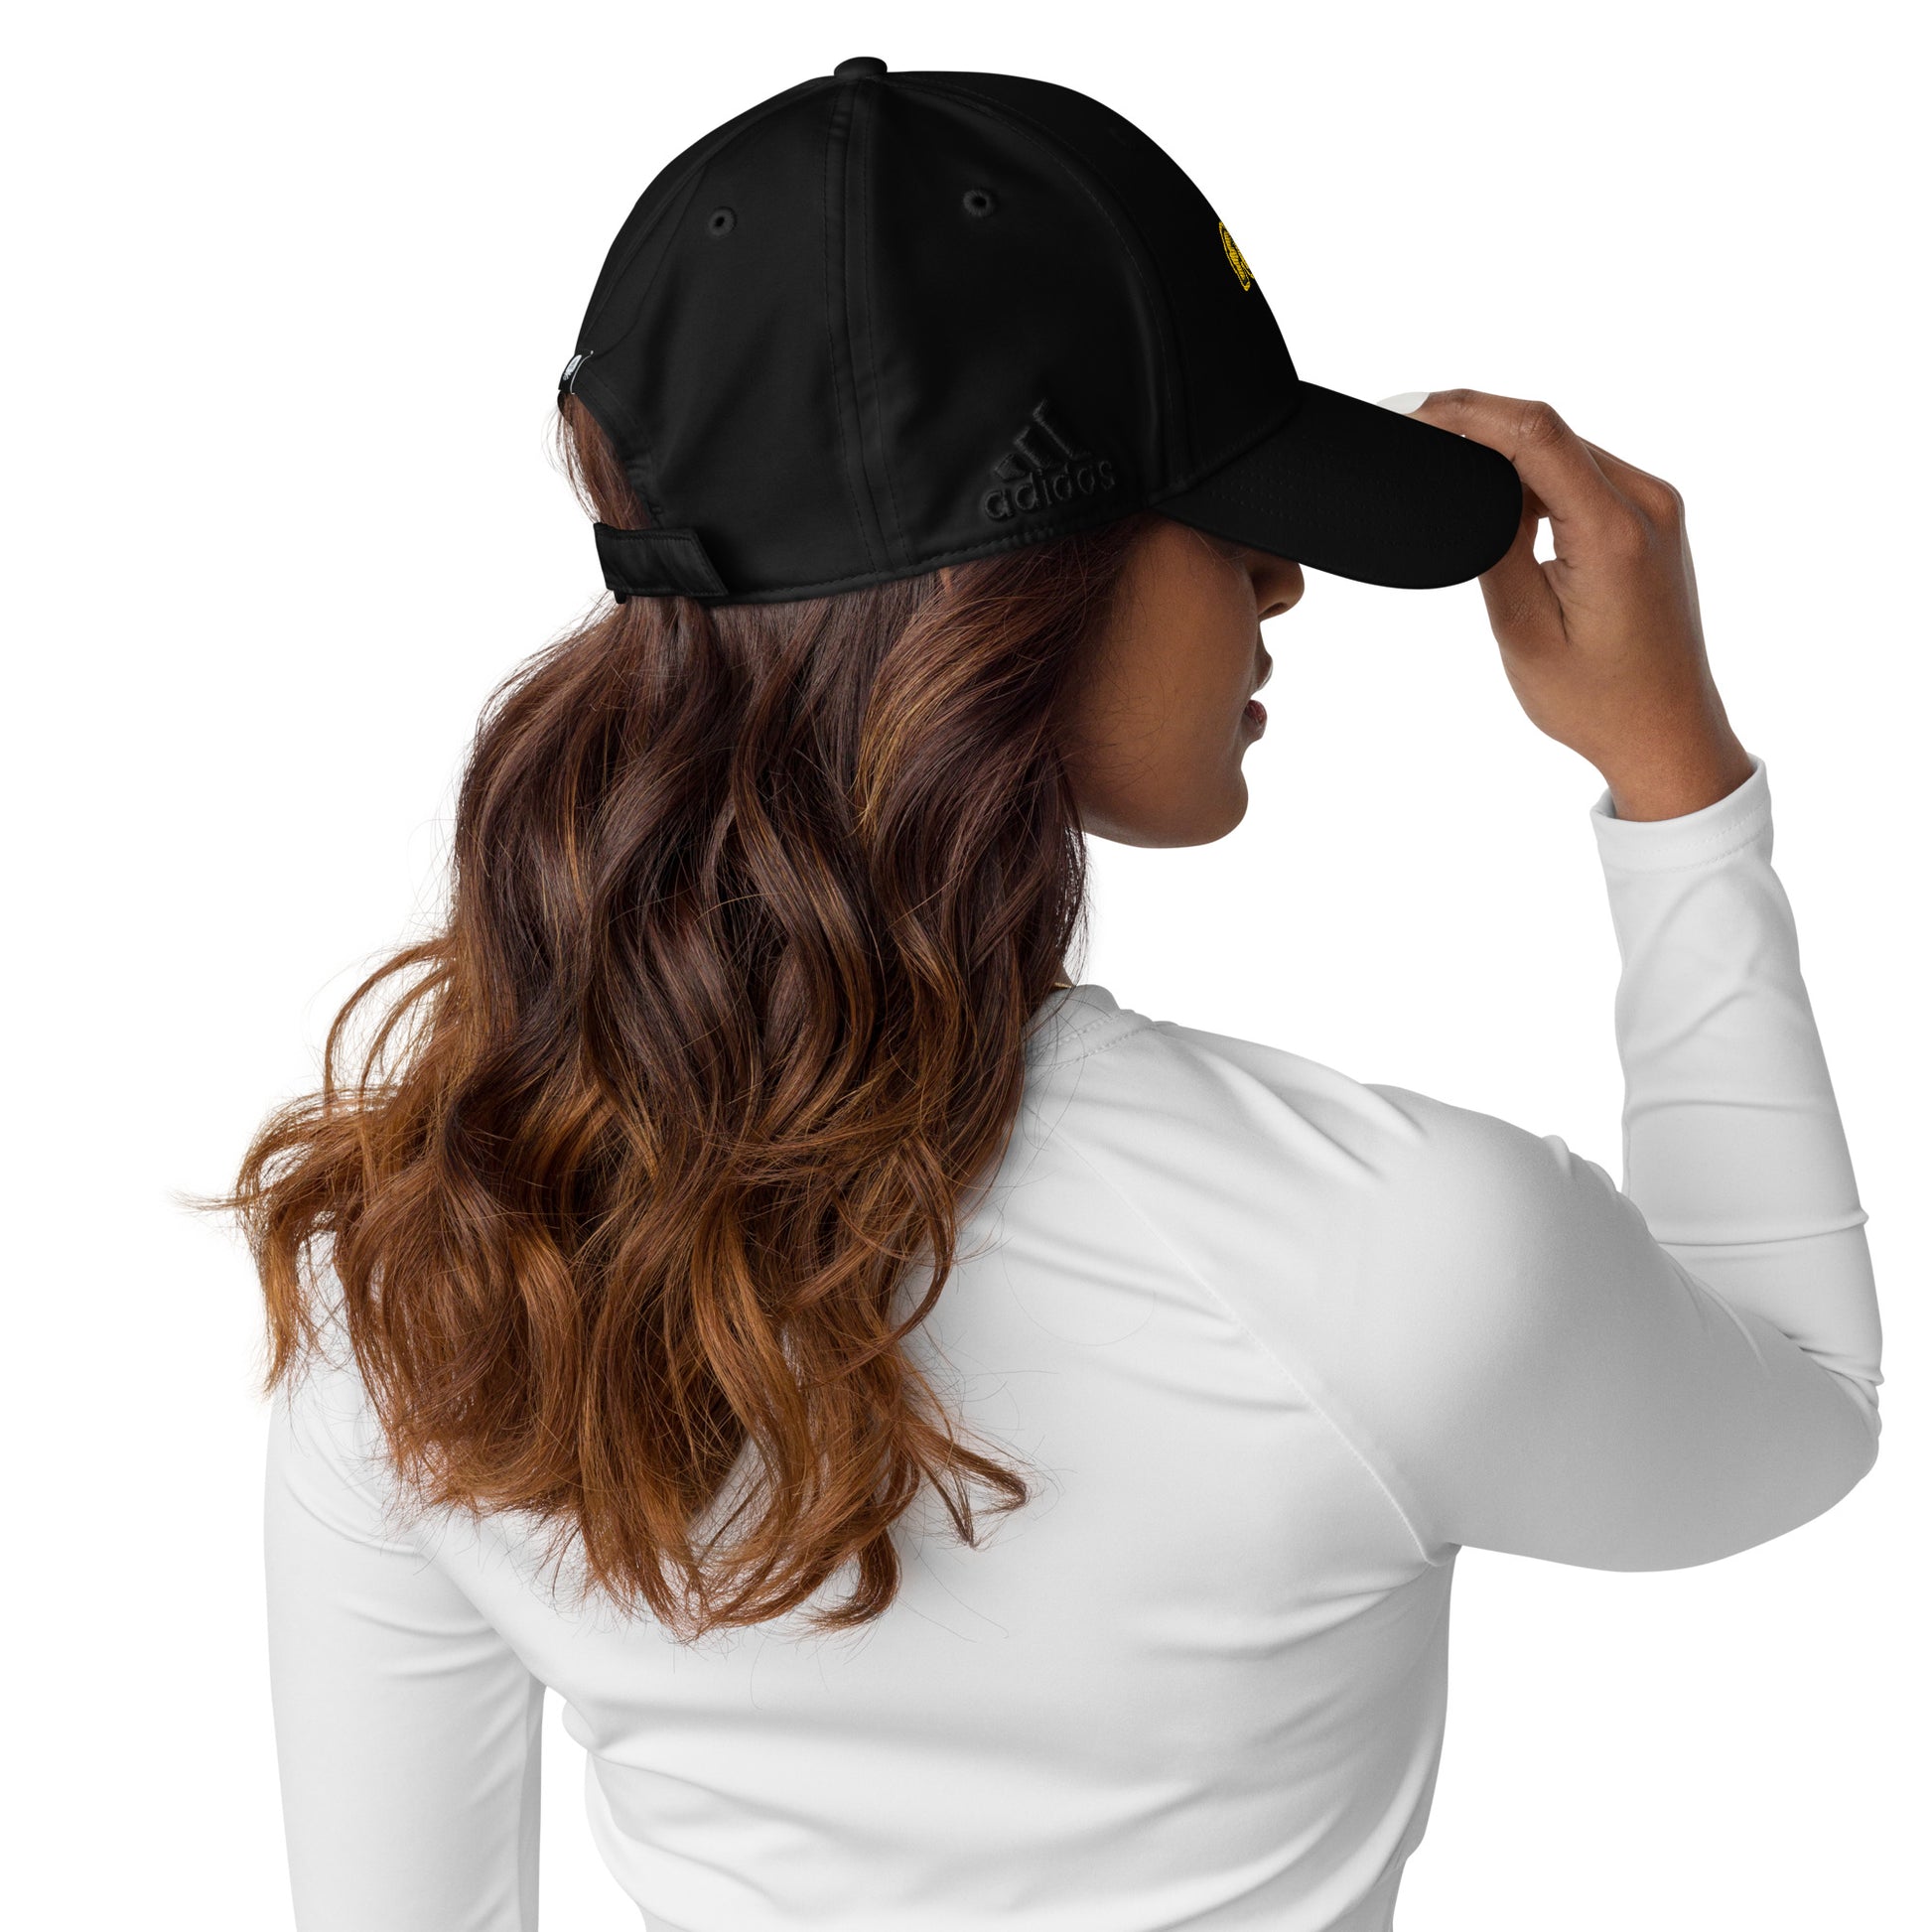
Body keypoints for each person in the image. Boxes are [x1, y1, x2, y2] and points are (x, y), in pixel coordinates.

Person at [219, 58, 1881, 1932]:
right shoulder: (1382, 1244)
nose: (1280, 582)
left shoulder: (424, 1274)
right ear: (1024, 587)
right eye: (1219, 512)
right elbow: (1802, 1410)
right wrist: (1678, 788)